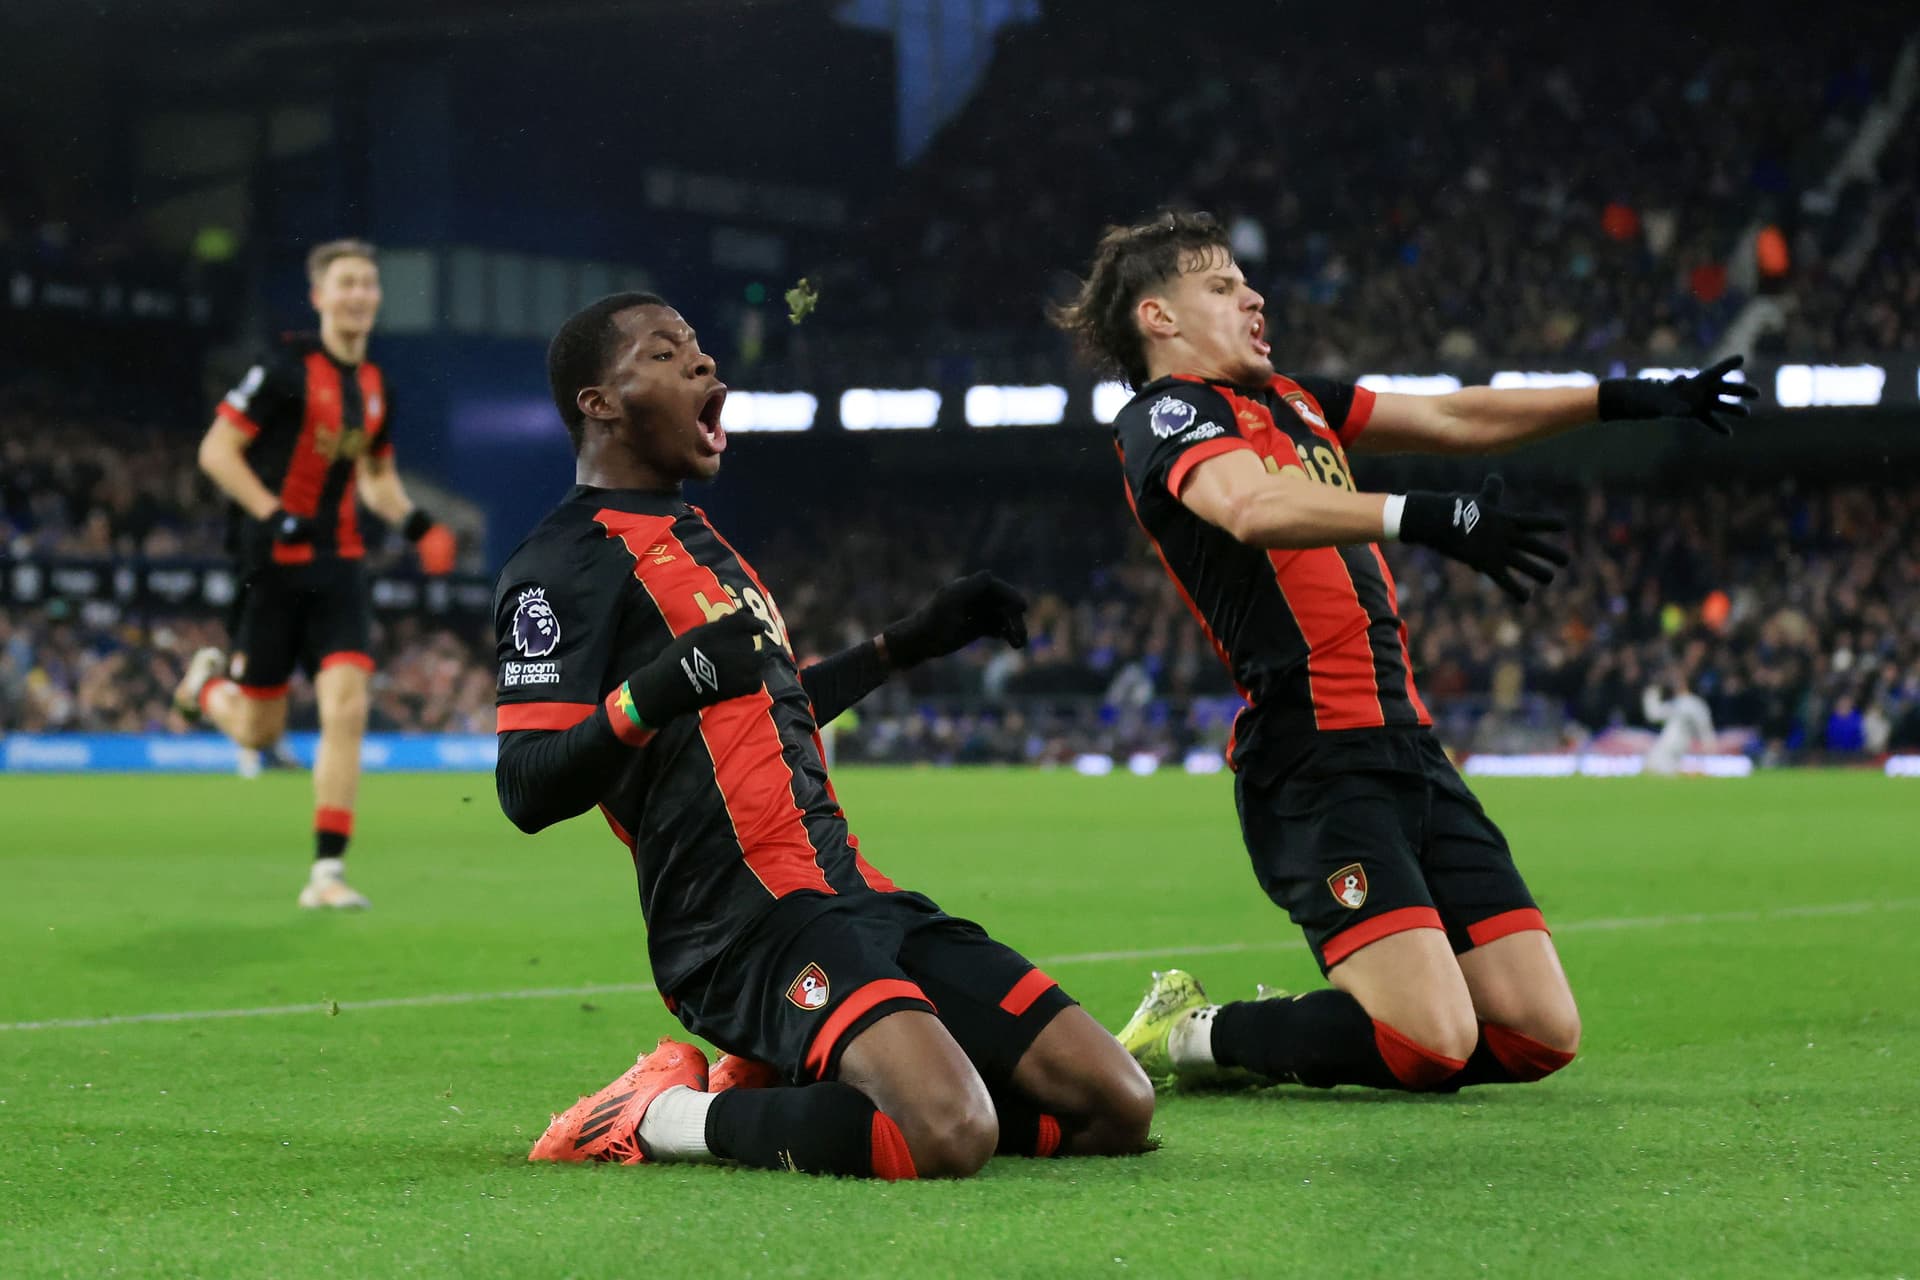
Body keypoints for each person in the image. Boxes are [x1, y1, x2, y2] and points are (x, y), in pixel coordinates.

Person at [1050, 211, 1754, 1094]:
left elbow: (1456, 414)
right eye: (1223, 287)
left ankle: (1350, 1018)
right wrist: (1429, 514)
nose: (1254, 296)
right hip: (1313, 760)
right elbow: (1251, 509)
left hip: (1411, 748)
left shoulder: (1300, 403)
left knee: (1538, 1034)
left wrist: (1623, 398)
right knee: (1431, 1044)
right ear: (1160, 318)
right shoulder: (1163, 416)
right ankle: (1195, 1033)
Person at [493, 292, 1154, 1179]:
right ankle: (660, 1115)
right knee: (946, 1134)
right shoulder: (560, 564)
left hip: (846, 887)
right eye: (663, 353)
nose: (703, 364)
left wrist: (904, 643)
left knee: (1116, 1105)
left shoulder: (700, 539)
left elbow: (763, 711)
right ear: (599, 402)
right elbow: (526, 788)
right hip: (736, 918)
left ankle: (801, 1073)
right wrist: (656, 690)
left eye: (698, 346)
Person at [172, 239, 457, 909]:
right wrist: (275, 513)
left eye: (368, 283)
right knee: (259, 732)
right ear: (320, 297)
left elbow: (378, 478)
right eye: (345, 283)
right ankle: (206, 686)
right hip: (268, 567)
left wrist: (419, 526)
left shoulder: (376, 387)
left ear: (377, 298)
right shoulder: (283, 372)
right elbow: (216, 451)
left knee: (347, 706)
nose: (358, 294)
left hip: (340, 564)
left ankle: (326, 874)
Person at [1643, 677, 1717, 774]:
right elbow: (1704, 725)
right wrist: (1709, 742)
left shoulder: (1687, 703)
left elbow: (1654, 714)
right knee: (1662, 769)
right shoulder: (1689, 703)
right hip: (1677, 744)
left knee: (1655, 768)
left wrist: (1651, 694)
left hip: (1671, 744)